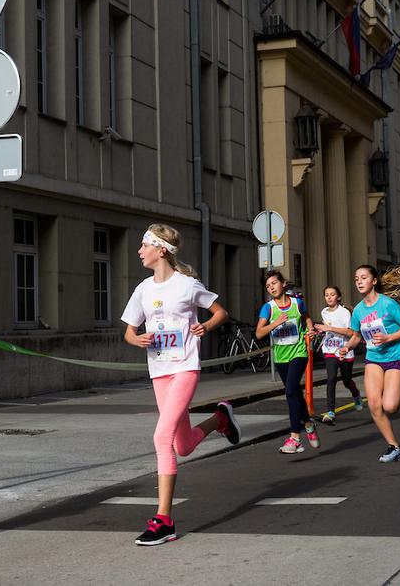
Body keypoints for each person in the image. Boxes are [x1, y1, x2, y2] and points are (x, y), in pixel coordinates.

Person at [121, 224, 241, 546]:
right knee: (181, 445)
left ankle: (164, 520)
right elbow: (129, 331)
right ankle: (221, 419)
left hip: (185, 368)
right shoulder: (144, 289)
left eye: (144, 244)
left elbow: (220, 311)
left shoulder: (187, 286)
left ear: (161, 250)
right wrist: (138, 340)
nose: (139, 251)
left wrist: (206, 325)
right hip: (159, 370)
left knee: (161, 437)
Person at [337, 265, 400, 462]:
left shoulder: (388, 304)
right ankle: (394, 447)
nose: (359, 281)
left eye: (364, 277)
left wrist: (389, 338)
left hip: (395, 355)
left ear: (373, 281)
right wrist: (347, 347)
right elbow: (356, 336)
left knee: (389, 407)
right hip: (374, 358)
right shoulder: (358, 311)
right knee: (373, 404)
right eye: (356, 279)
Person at [257, 270, 319, 455]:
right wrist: (275, 323)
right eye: (268, 286)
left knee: (291, 390)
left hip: (299, 352)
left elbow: (307, 318)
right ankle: (308, 424)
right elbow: (259, 333)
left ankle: (295, 437)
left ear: (283, 283)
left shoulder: (297, 303)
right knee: (295, 394)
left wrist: (310, 331)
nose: (272, 288)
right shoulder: (268, 308)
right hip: (281, 357)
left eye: (274, 283)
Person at [314, 285, 362, 423]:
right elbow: (327, 330)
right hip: (330, 350)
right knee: (331, 379)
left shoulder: (344, 313)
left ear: (338, 297)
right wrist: (319, 331)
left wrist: (329, 328)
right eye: (326, 294)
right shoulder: (324, 312)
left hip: (345, 350)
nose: (329, 297)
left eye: (332, 294)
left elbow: (350, 332)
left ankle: (356, 393)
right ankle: (330, 411)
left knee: (347, 381)